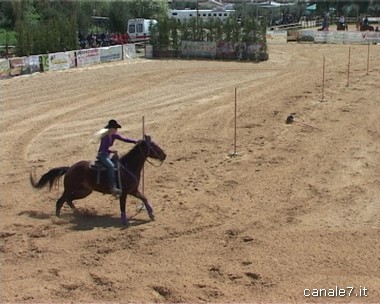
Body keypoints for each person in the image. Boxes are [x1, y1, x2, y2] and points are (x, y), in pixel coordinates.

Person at [96, 119, 137, 196]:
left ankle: (118, 183)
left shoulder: (114, 135)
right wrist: (112, 151)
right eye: (115, 128)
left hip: (107, 155)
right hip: (102, 155)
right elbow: (103, 149)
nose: (116, 130)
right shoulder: (105, 136)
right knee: (111, 166)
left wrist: (136, 141)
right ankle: (113, 187)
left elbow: (125, 139)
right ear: (111, 128)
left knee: (118, 165)